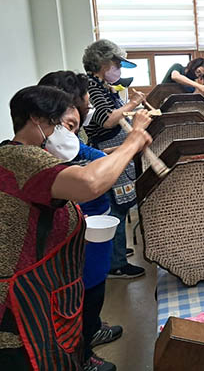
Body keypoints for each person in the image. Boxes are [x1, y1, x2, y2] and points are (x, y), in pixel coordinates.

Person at [0, 85, 151, 370]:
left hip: (41, 288)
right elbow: (89, 184)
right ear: (36, 118)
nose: (66, 134)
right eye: (60, 124)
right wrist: (132, 141)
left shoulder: (30, 155)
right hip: (19, 301)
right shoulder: (21, 157)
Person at [38, 70, 121, 371]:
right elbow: (85, 180)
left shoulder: (67, 138)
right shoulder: (49, 147)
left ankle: (92, 330)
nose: (89, 103)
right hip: (76, 229)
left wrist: (111, 155)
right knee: (79, 293)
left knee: (94, 288)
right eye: (85, 99)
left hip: (95, 223)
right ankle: (82, 358)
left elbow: (90, 153)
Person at [83, 39, 147, 279]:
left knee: (119, 204)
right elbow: (106, 120)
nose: (118, 69)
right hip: (106, 148)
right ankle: (116, 264)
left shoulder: (103, 86)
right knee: (116, 208)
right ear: (103, 62)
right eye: (116, 64)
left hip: (116, 147)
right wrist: (132, 103)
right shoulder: (91, 86)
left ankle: (116, 253)